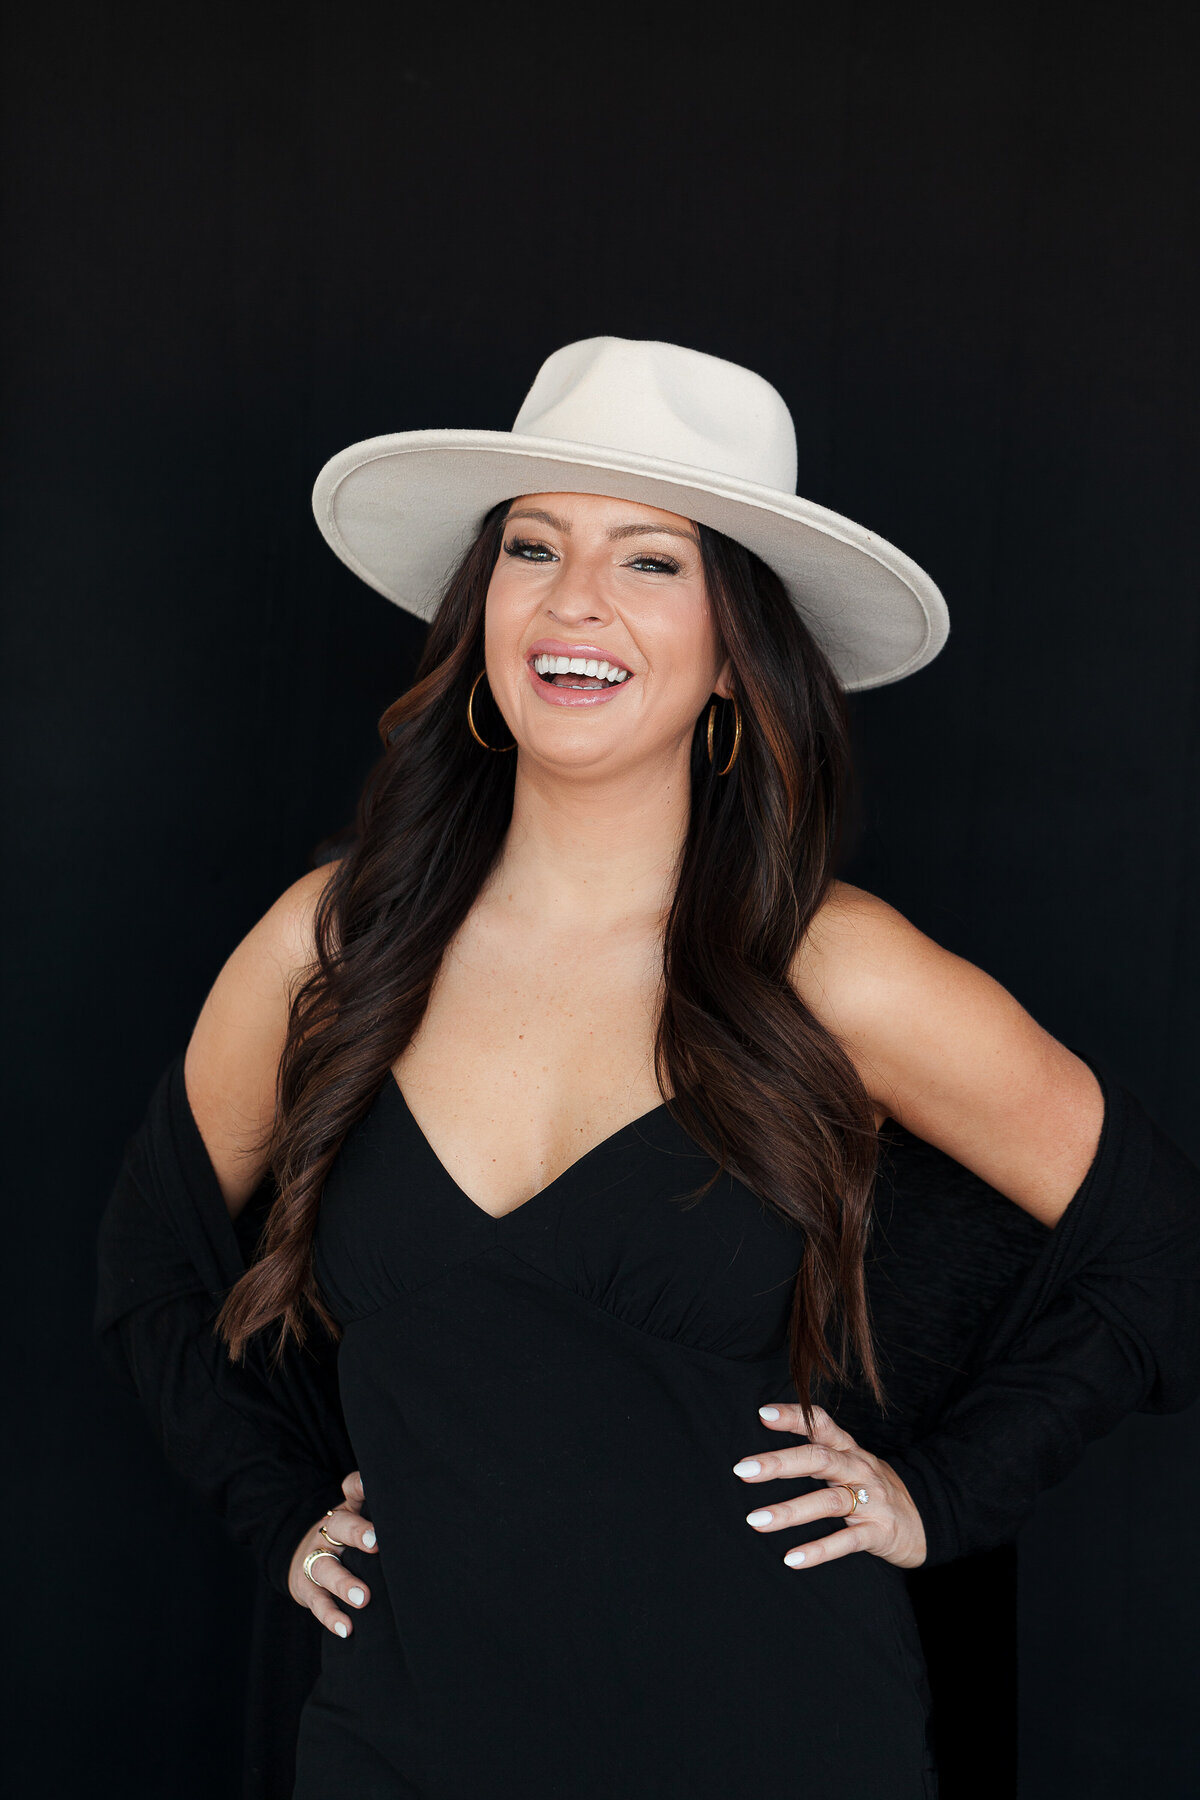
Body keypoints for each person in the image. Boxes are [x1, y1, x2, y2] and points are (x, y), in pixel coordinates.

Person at [98, 337, 1200, 1799]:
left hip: (773, 1737)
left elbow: (1158, 1241)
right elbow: (148, 1263)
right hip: (400, 1745)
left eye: (651, 561)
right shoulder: (336, 944)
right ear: (481, 603)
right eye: (534, 547)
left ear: (738, 647)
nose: (575, 601)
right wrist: (286, 1507)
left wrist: (936, 1499)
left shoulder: (835, 966)